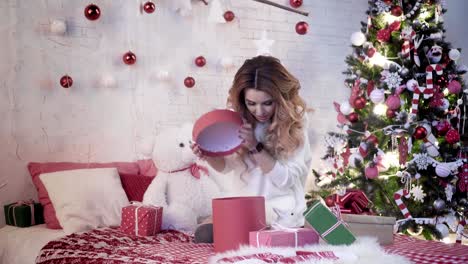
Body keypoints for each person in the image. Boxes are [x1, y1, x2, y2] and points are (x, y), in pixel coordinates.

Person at [191, 55, 312, 243]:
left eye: (267, 103)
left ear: (280, 98)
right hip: (244, 208)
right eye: (251, 103)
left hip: (281, 214)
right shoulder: (239, 119)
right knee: (204, 233)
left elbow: (286, 180)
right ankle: (237, 228)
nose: (259, 112)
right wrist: (209, 155)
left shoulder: (294, 124)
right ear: (242, 99)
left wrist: (255, 147)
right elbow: (226, 167)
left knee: (246, 239)